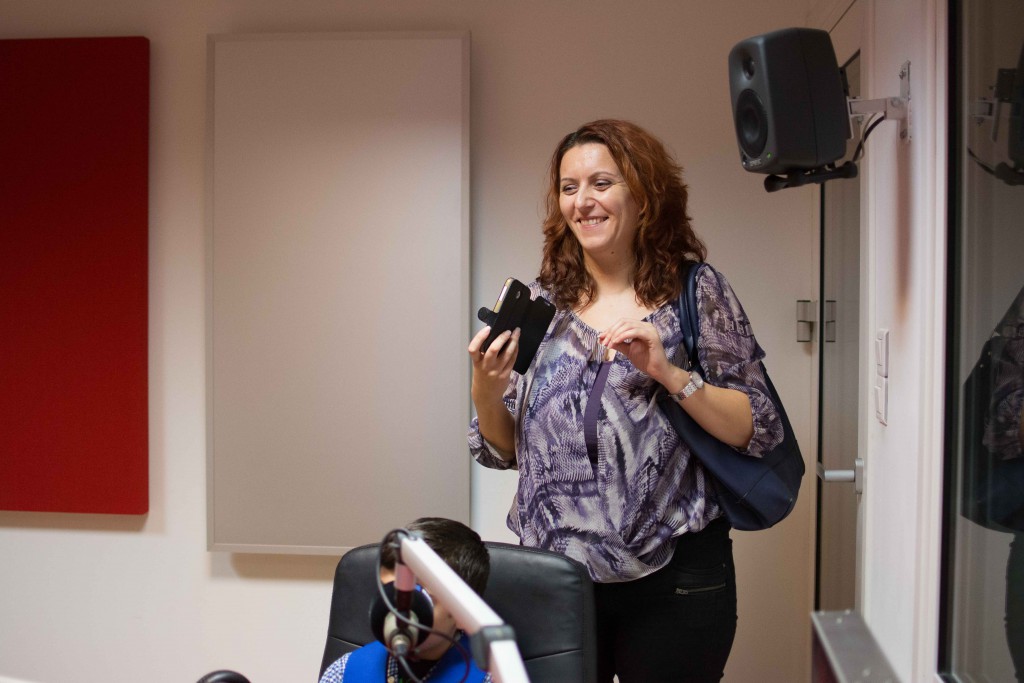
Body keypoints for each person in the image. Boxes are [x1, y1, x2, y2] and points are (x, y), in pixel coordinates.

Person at [467, 119, 784, 683]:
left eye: (601, 183)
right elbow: (503, 450)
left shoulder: (695, 293)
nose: (582, 202)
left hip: (674, 583)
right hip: (556, 581)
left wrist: (668, 372)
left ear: (644, 195)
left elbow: (754, 427)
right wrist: (486, 390)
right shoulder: (544, 304)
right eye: (569, 188)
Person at [319, 517, 492, 683]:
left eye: (417, 597)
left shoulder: (491, 676)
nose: (396, 610)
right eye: (389, 593)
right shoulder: (344, 672)